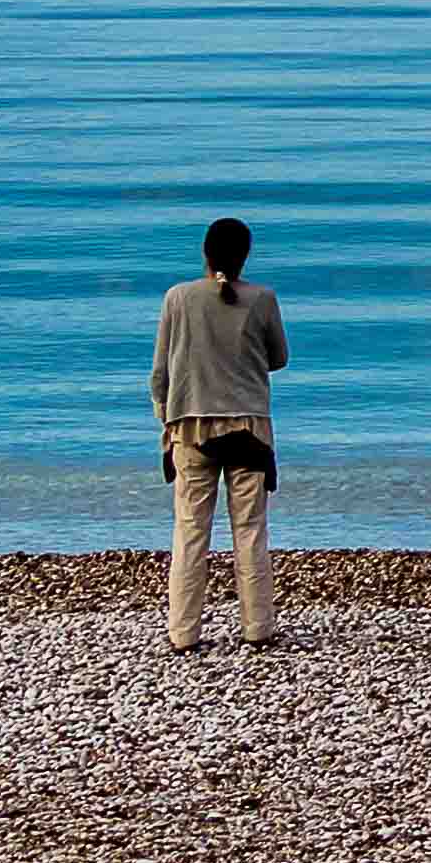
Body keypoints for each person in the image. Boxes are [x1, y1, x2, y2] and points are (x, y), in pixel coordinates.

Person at [149, 216, 291, 653]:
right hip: (249, 428)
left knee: (191, 532)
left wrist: (166, 422)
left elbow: (160, 375)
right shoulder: (262, 298)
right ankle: (257, 628)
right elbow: (278, 358)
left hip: (191, 426)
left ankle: (183, 633)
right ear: (245, 256)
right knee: (250, 530)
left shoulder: (177, 297)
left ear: (205, 254)